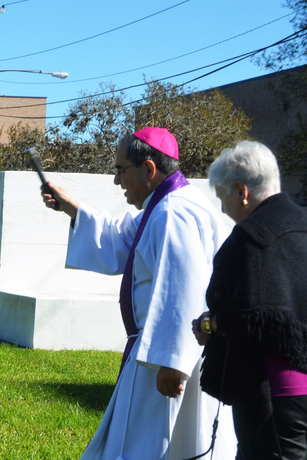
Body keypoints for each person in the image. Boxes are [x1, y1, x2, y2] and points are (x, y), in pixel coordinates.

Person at [41, 127, 236, 459]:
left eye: (120, 170)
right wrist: (70, 206)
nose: (117, 181)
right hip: (155, 353)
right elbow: (120, 238)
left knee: (155, 446)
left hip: (167, 360)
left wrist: (172, 362)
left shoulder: (175, 212)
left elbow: (183, 288)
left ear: (148, 169)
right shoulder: (161, 207)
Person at [191, 140, 307, 459]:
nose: (223, 208)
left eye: (222, 196)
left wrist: (210, 323)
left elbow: (253, 319)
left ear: (241, 191)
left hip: (276, 396)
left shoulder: (249, 239)